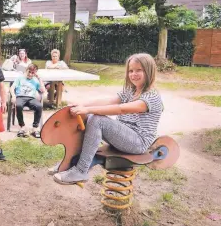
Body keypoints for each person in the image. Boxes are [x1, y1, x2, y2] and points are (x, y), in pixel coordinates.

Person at [50, 53, 164, 185]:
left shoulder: (151, 97)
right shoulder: (131, 90)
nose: (134, 74)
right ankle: (69, 162)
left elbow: (121, 109)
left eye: (139, 70)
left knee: (97, 119)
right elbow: (109, 101)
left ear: (149, 71)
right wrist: (82, 104)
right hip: (125, 135)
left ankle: (81, 170)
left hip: (138, 142)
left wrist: (88, 109)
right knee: (90, 117)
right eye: (131, 71)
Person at [10, 64, 45, 138]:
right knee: (18, 105)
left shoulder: (35, 80)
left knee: (39, 106)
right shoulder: (20, 78)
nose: (30, 74)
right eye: (29, 71)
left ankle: (35, 128)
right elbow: (12, 87)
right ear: (26, 70)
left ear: (35, 73)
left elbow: (43, 90)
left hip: (31, 98)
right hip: (20, 97)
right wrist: (13, 96)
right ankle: (22, 126)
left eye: (33, 73)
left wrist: (39, 79)